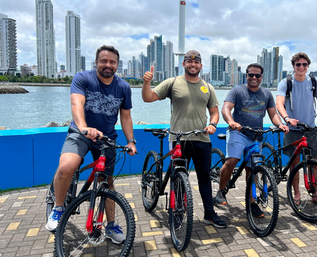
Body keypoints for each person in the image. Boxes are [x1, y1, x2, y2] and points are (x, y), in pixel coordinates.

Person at [46, 45, 138, 243]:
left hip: (107, 138)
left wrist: (130, 141)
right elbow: (76, 104)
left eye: (112, 62)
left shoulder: (123, 87)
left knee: (107, 182)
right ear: (96, 62)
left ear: (117, 65)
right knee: (67, 166)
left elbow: (126, 117)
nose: (108, 65)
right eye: (103, 61)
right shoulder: (83, 78)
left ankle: (111, 226)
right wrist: (84, 128)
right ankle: (58, 209)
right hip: (81, 133)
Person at [142, 50, 227, 228]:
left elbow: (214, 112)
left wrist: (212, 124)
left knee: (204, 178)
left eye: (196, 62)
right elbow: (148, 98)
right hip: (178, 138)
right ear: (184, 64)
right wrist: (147, 83)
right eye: (189, 61)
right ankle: (178, 210)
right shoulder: (173, 83)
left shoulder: (208, 87)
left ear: (201, 66)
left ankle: (209, 214)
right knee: (178, 176)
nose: (193, 65)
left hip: (202, 138)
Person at [215, 63, 289, 217]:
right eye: (251, 75)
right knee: (232, 161)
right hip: (239, 132)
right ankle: (221, 191)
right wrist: (231, 122)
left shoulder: (267, 93)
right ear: (246, 75)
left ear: (262, 77)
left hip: (257, 135)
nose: (254, 78)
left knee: (253, 170)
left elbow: (273, 114)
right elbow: (226, 108)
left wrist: (280, 124)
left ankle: (252, 203)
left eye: (257, 75)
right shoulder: (237, 91)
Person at [276, 52, 317, 206]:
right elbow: (279, 103)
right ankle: (296, 193)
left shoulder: (314, 81)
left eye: (304, 64)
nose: (301, 67)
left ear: (308, 66)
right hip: (293, 129)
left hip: (310, 128)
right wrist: (286, 118)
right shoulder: (286, 82)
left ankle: (315, 194)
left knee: (313, 162)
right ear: (293, 66)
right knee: (295, 162)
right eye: (298, 64)